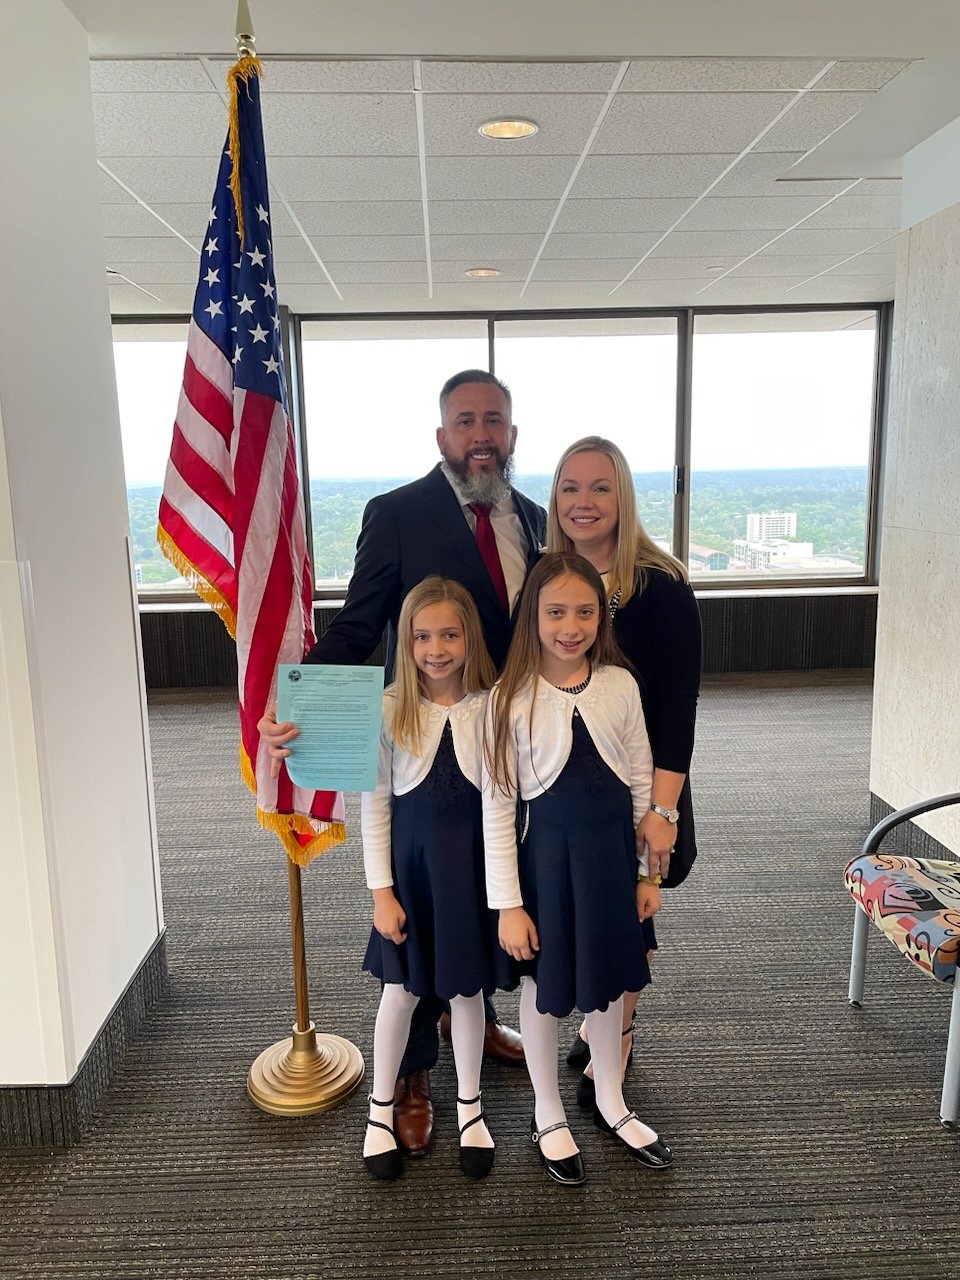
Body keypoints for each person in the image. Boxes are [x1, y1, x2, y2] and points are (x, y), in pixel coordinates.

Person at [259, 370, 546, 1157]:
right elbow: (358, 628)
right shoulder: (395, 514)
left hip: (508, 744)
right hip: (424, 743)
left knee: (488, 889)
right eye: (465, 421)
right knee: (425, 899)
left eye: (494, 421)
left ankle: (478, 1018)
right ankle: (416, 1077)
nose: (480, 435)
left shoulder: (533, 517)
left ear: (512, 436)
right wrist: (303, 705)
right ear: (442, 437)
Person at [482, 553, 674, 1185]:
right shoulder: (508, 698)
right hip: (547, 868)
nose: (571, 625)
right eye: (556, 611)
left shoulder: (620, 684)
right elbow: (499, 809)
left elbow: (643, 781)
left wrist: (649, 876)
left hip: (613, 865)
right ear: (532, 616)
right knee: (544, 986)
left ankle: (612, 1099)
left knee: (614, 980)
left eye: (585, 611)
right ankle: (547, 1111)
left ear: (602, 616)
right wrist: (509, 904)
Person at [546, 436, 701, 1106]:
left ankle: (623, 1027)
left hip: (643, 789)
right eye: (571, 488)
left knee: (635, 910)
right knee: (582, 902)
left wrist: (661, 813)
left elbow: (677, 713)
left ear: (623, 497)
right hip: (561, 788)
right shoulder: (543, 580)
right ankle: (598, 1017)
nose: (584, 502)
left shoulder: (662, 588)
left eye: (600, 488)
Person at [360, 577, 508, 1181]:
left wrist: (506, 897)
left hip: (472, 876)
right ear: (406, 641)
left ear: (470, 636)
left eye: (450, 633)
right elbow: (374, 805)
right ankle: (379, 1111)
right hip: (413, 879)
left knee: (469, 992)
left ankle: (470, 1108)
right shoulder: (390, 708)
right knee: (402, 991)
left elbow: (502, 805)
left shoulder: (494, 706)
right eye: (422, 636)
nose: (437, 647)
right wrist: (382, 893)